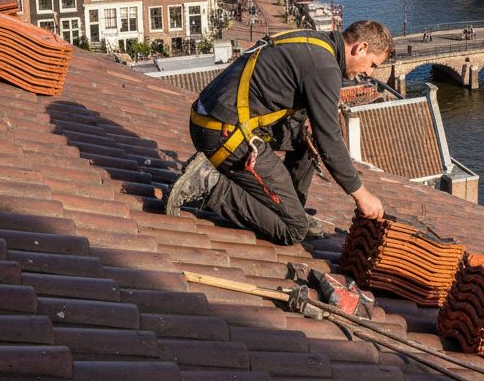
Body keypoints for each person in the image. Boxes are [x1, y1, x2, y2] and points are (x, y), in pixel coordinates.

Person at [166, 20, 394, 245]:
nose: (368, 73)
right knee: (294, 230)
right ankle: (211, 186)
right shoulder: (325, 68)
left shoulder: (314, 42)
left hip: (212, 118)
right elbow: (330, 141)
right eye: (372, 65)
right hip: (223, 132)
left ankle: (290, 206)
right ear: (360, 47)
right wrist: (361, 194)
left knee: (307, 138)